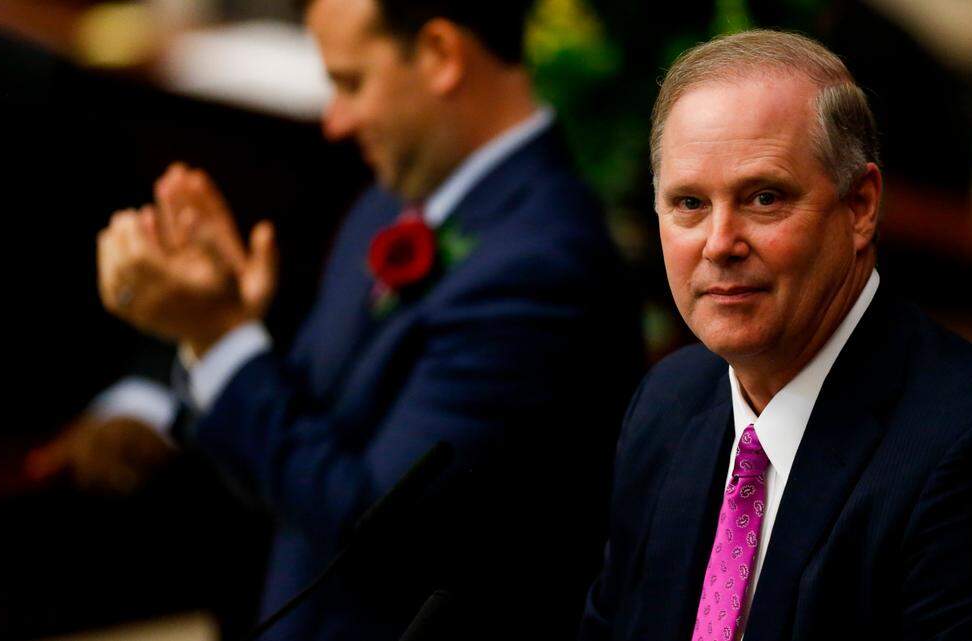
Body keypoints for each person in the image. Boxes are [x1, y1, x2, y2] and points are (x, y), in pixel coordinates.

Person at [94, 0, 643, 639]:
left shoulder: (542, 265)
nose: (334, 121)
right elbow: (306, 442)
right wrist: (220, 326)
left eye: (351, 82)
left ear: (440, 54)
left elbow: (375, 532)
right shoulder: (389, 203)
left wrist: (220, 341)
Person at [579, 30, 972, 641]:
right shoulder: (665, 406)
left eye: (764, 197)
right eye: (689, 203)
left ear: (860, 207)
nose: (719, 243)